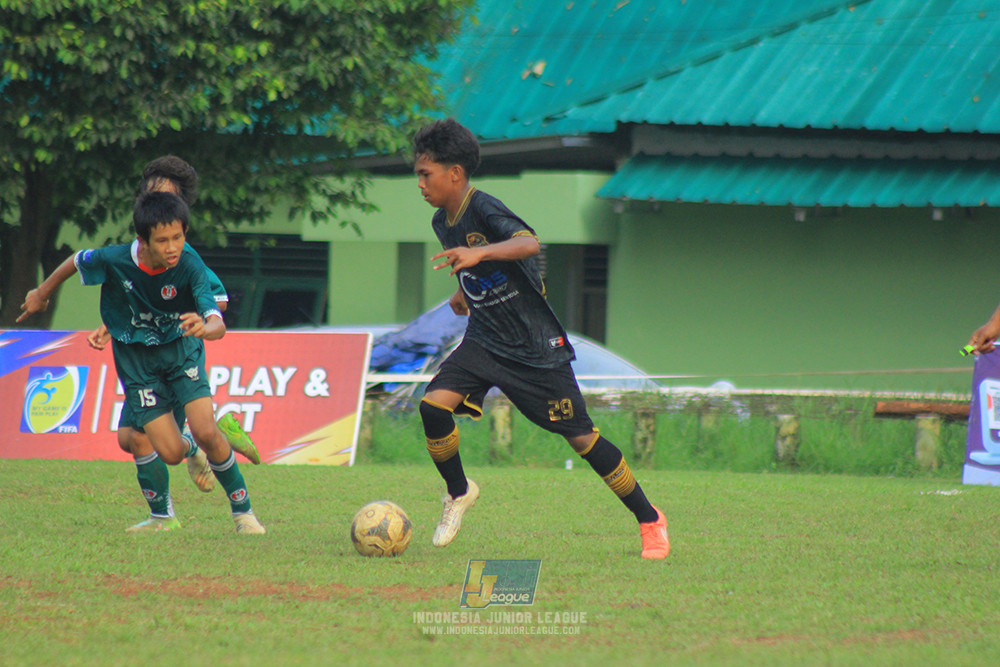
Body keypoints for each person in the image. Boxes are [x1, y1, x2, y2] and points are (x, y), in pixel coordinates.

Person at [412, 118, 669, 559]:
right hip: (485, 340)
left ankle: (650, 519)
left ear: (454, 173)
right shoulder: (442, 221)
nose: (419, 184)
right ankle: (458, 491)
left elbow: (528, 244)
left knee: (582, 440)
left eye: (425, 174)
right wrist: (463, 291)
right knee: (433, 407)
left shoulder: (484, 207)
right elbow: (480, 267)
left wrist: (479, 251)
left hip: (534, 347)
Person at [18, 190, 266, 535]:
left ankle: (244, 514)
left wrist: (205, 328)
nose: (172, 247)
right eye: (163, 240)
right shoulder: (117, 259)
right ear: (142, 240)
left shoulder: (189, 264)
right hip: (137, 363)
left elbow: (217, 319)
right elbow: (76, 260)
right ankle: (176, 485)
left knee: (205, 429)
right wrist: (41, 293)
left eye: (178, 237)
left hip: (181, 351)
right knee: (167, 451)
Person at [85, 156, 260, 530]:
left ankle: (227, 511)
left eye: (167, 195)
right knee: (128, 438)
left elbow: (217, 300)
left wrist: (194, 317)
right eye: (152, 193)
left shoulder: (183, 256)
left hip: (175, 351)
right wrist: (117, 323)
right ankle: (180, 474)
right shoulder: (138, 249)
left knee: (163, 436)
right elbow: (136, 295)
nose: (158, 200)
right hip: (139, 355)